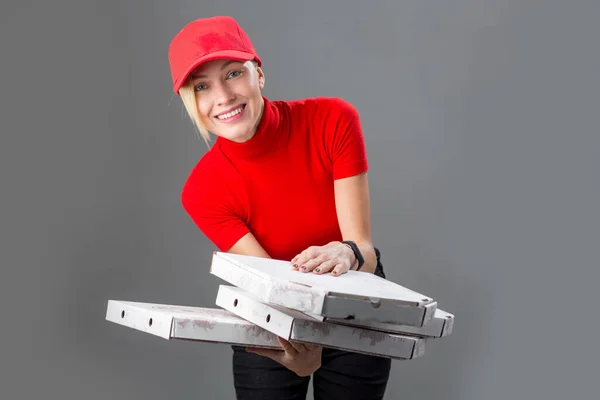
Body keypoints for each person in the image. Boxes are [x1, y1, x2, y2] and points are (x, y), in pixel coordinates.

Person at [168, 15, 391, 400]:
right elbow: (269, 286)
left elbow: (365, 254)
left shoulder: (333, 120)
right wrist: (301, 347)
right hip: (272, 318)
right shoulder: (202, 191)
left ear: (259, 74)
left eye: (233, 73)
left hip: (356, 301)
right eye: (202, 86)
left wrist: (346, 250)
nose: (222, 96)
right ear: (191, 101)